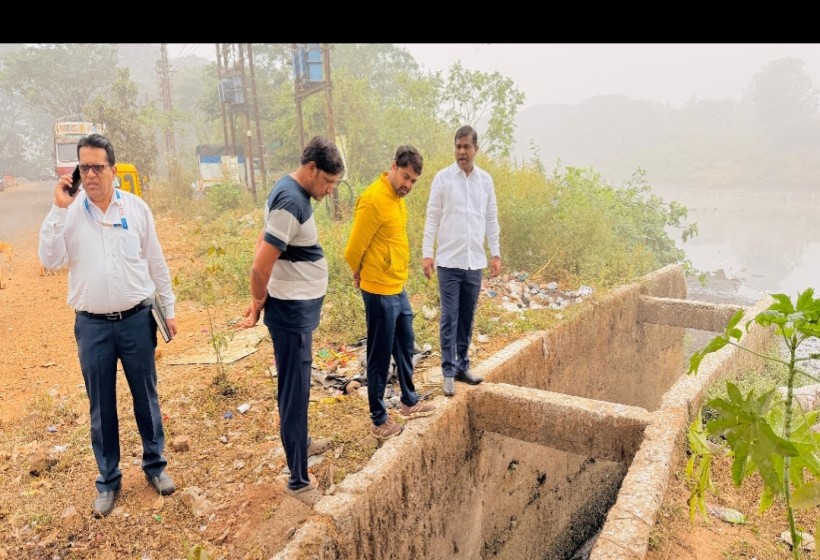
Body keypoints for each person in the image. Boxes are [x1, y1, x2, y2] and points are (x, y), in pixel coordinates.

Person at [38, 133, 178, 518]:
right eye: (84, 167)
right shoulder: (69, 215)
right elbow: (49, 260)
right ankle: (109, 479)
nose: (91, 174)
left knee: (146, 397)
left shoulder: (136, 209)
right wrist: (57, 209)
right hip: (93, 328)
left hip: (137, 322)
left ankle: (155, 466)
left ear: (113, 170)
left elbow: (156, 261)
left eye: (98, 166)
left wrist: (168, 310)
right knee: (101, 406)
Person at [238, 136, 344, 506]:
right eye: (327, 182)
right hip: (291, 314)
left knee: (296, 387)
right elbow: (259, 267)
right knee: (294, 393)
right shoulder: (290, 200)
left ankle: (302, 443)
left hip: (296, 311)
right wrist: (257, 299)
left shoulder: (291, 190)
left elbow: (263, 238)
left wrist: (260, 300)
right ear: (311, 168)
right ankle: (298, 480)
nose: (329, 190)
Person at [344, 146, 436, 440]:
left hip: (397, 286)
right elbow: (353, 249)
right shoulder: (373, 199)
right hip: (379, 290)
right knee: (380, 355)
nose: (408, 185)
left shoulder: (397, 200)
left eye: (413, 181)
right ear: (394, 167)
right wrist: (359, 272)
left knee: (406, 344)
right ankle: (378, 419)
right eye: (405, 177)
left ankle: (409, 401)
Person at [422, 125, 502, 397]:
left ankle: (462, 366)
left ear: (476, 149)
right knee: (449, 317)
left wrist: (495, 253)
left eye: (467, 147)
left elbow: (491, 218)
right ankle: (447, 371)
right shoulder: (443, 179)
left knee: (467, 317)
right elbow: (432, 217)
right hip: (448, 261)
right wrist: (427, 253)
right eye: (458, 147)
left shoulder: (485, 181)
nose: (462, 152)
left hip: (474, 262)